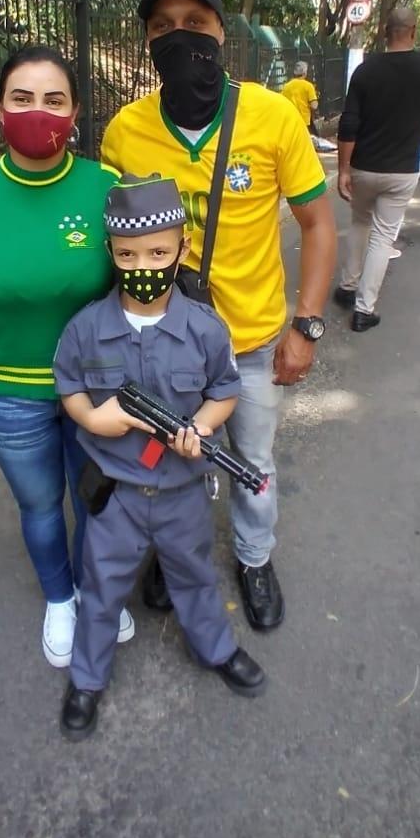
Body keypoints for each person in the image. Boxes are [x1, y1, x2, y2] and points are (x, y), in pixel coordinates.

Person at [101, 0, 337, 631]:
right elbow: (108, 242)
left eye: (195, 24)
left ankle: (255, 559)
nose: (179, 37)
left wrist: (308, 326)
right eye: (162, 28)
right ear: (147, 41)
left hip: (252, 344)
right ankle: (171, 557)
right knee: (165, 458)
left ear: (221, 31)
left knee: (251, 462)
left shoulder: (271, 116)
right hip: (163, 343)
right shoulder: (125, 131)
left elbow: (319, 224)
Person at [0, 45, 133, 669]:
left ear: (75, 113)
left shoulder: (107, 188)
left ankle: (99, 590)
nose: (37, 112)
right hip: (7, 391)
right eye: (22, 98)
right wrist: (2, 312)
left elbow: (136, 278)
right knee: (41, 504)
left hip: (96, 388)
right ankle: (60, 598)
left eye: (54, 100)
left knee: (97, 496)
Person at [54, 174, 266, 739]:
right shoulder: (86, 329)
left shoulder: (203, 329)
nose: (143, 264)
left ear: (182, 250)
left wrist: (199, 425)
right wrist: (92, 417)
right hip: (117, 495)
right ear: (111, 254)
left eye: (157, 252)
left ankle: (217, 650)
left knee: (194, 578)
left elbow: (225, 390)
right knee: (100, 590)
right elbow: (69, 383)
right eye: (128, 254)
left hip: (180, 493)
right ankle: (87, 680)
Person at [334, 7, 420, 332]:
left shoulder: (366, 70)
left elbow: (349, 122)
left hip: (364, 167)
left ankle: (347, 287)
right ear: (412, 30)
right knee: (383, 236)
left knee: (359, 223)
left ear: (386, 31)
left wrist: (343, 169)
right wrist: (419, 132)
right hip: (402, 169)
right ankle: (364, 309)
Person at [281, 60, 320, 135]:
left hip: (290, 120)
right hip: (304, 121)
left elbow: (282, 102)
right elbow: (314, 106)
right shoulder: (308, 86)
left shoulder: (286, 86)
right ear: (304, 73)